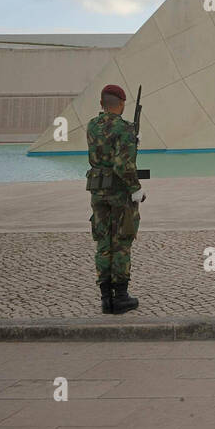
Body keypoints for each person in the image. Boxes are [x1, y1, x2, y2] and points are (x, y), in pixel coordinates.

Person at [85, 84, 144, 314]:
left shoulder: (92, 125)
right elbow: (122, 165)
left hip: (98, 190)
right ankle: (120, 296)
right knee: (121, 242)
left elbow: (101, 154)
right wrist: (135, 188)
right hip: (119, 193)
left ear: (102, 104)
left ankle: (105, 298)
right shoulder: (124, 129)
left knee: (103, 243)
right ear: (120, 104)